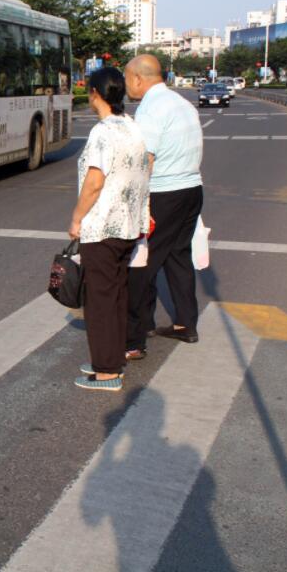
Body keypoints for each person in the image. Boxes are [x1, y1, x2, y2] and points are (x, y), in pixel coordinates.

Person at [70, 67, 151, 392]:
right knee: (116, 295)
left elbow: (94, 182)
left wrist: (77, 218)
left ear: (94, 94)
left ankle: (106, 372)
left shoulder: (102, 132)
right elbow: (147, 167)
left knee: (100, 301)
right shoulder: (132, 126)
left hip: (102, 226)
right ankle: (112, 359)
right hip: (128, 225)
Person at [123, 55, 204, 357]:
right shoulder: (182, 104)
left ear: (138, 78)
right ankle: (186, 324)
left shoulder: (150, 109)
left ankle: (136, 336)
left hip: (163, 194)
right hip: (191, 190)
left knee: (142, 262)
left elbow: (146, 159)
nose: (126, 85)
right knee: (178, 257)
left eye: (127, 78)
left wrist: (133, 201)